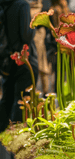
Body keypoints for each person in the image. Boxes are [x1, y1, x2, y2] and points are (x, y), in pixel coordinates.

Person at [0, 0, 38, 132]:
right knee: (22, 100)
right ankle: (17, 136)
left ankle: (3, 139)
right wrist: (34, 24)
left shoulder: (3, 5)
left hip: (5, 60)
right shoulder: (22, 5)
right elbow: (26, 35)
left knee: (6, 100)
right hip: (23, 59)